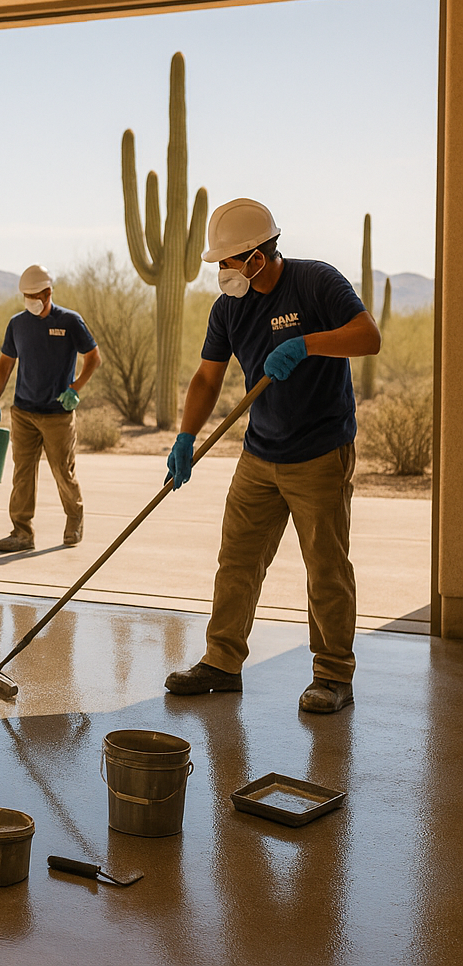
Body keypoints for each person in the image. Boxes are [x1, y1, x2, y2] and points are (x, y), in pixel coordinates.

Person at [163, 198, 381, 714]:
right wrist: (185, 437)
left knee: (325, 567)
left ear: (258, 257)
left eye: (228, 262)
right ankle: (222, 663)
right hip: (258, 454)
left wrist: (307, 344)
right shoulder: (229, 308)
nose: (222, 272)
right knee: (236, 561)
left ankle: (333, 676)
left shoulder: (315, 282)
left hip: (319, 452)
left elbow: (367, 337)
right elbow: (206, 377)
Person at [0, 264, 103, 553]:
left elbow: (93, 358)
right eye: (25, 295)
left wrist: (74, 389)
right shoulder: (18, 324)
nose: (29, 301)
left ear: (48, 292)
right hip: (23, 411)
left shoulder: (70, 321)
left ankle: (74, 519)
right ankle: (22, 532)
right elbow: (5, 363)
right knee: (23, 472)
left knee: (62, 470)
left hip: (57, 414)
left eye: (34, 295)